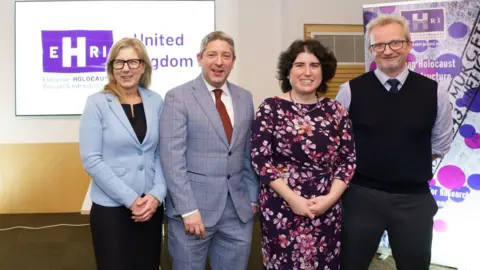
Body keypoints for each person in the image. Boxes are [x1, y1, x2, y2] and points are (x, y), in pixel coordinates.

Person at [336, 15, 453, 270]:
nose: (387, 51)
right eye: (379, 45)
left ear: (409, 45)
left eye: (395, 43)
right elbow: (339, 144)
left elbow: (441, 144)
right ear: (371, 50)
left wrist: (402, 161)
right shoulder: (350, 90)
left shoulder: (435, 92)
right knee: (349, 265)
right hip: (361, 197)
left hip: (413, 199)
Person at [250, 39, 356, 269]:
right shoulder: (270, 108)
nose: (307, 72)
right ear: (288, 72)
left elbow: (348, 161)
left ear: (323, 71)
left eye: (314, 65)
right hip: (281, 208)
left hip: (326, 209)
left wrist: (330, 199)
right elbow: (260, 159)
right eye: (299, 65)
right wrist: (293, 199)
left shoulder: (336, 111)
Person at [159, 31, 259, 270]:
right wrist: (188, 209)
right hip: (193, 213)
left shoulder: (245, 98)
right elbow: (173, 160)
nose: (219, 61)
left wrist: (253, 198)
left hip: (238, 212)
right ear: (199, 58)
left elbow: (248, 154)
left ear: (233, 61)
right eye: (212, 54)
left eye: (226, 56)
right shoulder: (178, 97)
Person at [79, 37, 166, 270]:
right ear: (111, 68)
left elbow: (162, 153)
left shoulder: (156, 101)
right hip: (111, 209)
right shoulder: (97, 103)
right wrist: (131, 200)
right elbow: (92, 160)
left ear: (143, 66)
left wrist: (157, 195)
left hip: (150, 207)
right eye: (119, 63)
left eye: (133, 62)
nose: (126, 68)